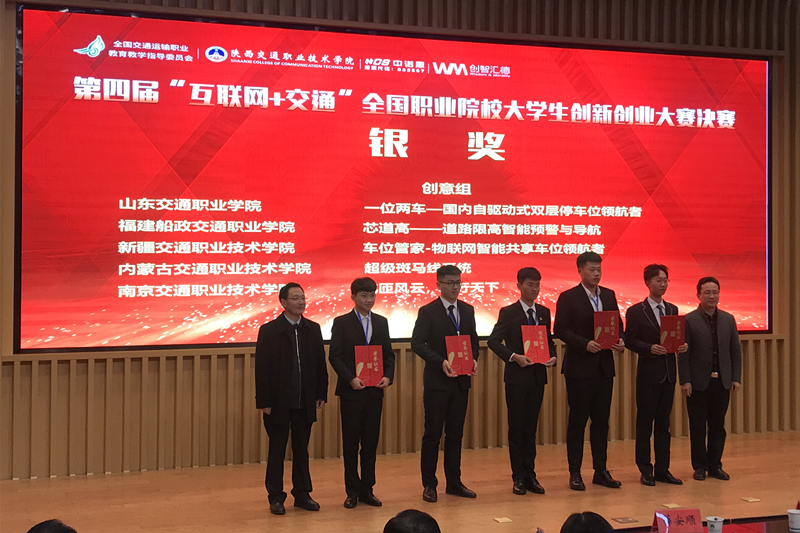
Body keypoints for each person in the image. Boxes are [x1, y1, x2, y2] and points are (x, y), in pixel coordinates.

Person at [254, 282, 328, 515]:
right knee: (277, 450)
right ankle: (276, 497)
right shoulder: (269, 330)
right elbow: (261, 368)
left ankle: (302, 494)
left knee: (301, 450)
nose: (301, 302)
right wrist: (263, 400)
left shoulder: (312, 328)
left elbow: (320, 363)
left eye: (303, 298)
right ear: (283, 302)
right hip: (278, 402)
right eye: (295, 298)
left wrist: (321, 393)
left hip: (304, 400)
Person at [553, 251, 625, 491]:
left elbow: (617, 325)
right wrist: (584, 343)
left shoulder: (609, 295)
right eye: (592, 269)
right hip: (579, 369)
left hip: (604, 368)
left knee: (601, 422)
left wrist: (620, 340)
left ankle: (600, 471)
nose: (596, 274)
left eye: (599, 270)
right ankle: (575, 472)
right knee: (578, 422)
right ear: (580, 271)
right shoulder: (568, 297)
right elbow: (560, 329)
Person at [411, 264, 480, 503]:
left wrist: (474, 359)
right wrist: (440, 361)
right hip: (437, 383)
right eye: (450, 283)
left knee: (455, 434)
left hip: (461, 382)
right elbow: (417, 343)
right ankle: (429, 484)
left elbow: (473, 341)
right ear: (438, 284)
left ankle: (454, 482)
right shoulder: (428, 311)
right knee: (433, 434)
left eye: (458, 282)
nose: (455, 287)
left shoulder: (467, 310)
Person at [487, 267, 557, 495]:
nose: (534, 289)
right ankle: (517, 476)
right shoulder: (509, 312)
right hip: (517, 378)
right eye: (529, 285)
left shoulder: (544, 312)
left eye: (537, 285)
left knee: (530, 429)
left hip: (537, 377)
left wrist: (553, 356)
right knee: (517, 428)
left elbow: (549, 342)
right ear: (519, 286)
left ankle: (530, 475)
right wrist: (513, 356)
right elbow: (494, 341)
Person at [329, 277, 396, 509]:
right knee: (350, 444)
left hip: (374, 392)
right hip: (352, 392)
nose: (369, 300)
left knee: (370, 443)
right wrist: (350, 378)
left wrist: (388, 376)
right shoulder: (342, 322)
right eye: (364, 296)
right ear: (353, 297)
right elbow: (335, 356)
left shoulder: (381, 322)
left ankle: (368, 489)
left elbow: (388, 355)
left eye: (372, 295)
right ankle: (352, 491)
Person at [624, 264, 686, 486]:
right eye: (658, 280)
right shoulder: (636, 311)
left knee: (663, 425)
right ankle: (645, 469)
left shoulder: (672, 309)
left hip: (668, 374)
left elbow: (675, 338)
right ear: (647, 283)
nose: (663, 284)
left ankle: (662, 469)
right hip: (648, 375)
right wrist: (649, 348)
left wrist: (681, 346)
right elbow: (629, 340)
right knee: (645, 424)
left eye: (665, 280)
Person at [679, 276, 742, 481]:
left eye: (715, 292)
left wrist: (736, 377)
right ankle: (699, 466)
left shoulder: (728, 319)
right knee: (697, 427)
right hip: (697, 382)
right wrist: (685, 380)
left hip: (722, 381)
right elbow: (683, 353)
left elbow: (735, 351)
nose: (712, 296)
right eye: (707, 292)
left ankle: (715, 465)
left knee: (717, 426)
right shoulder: (689, 320)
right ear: (698, 295)